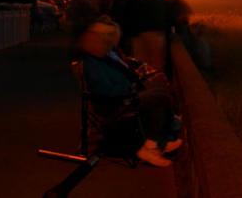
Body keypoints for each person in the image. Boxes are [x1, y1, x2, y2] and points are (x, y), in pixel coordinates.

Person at [77, 16, 181, 167]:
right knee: (159, 99)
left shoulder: (105, 55)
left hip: (123, 96)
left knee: (161, 94)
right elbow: (104, 90)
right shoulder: (93, 63)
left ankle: (163, 140)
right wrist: (130, 89)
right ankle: (150, 147)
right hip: (114, 103)